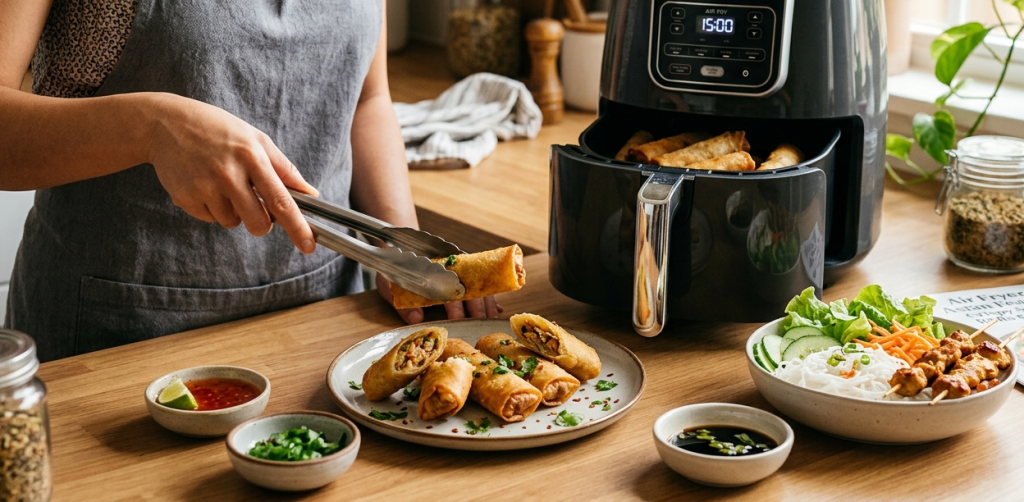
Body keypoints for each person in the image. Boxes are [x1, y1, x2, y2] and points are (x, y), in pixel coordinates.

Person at [0, 0, 499, 362]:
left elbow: (368, 100)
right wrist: (150, 126)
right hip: (117, 337)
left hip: (323, 325)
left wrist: (400, 249)